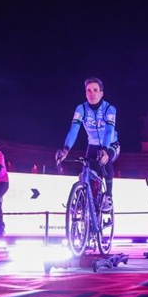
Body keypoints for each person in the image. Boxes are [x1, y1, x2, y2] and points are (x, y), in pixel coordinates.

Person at [56, 77, 119, 210]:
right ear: (85, 93)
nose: (92, 93)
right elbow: (73, 130)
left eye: (95, 90)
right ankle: (84, 199)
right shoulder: (81, 109)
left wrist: (105, 150)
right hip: (92, 145)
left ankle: (108, 196)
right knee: (87, 172)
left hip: (111, 144)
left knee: (105, 160)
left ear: (101, 93)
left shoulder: (110, 109)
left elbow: (109, 131)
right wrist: (66, 149)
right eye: (88, 90)